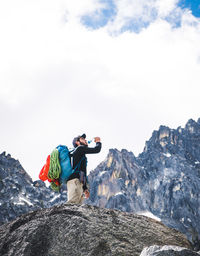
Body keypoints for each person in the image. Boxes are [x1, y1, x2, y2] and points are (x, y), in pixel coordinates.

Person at [66, 133, 102, 204]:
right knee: (72, 205)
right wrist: (98, 142)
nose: (85, 140)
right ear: (77, 142)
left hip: (77, 181)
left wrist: (84, 188)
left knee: (76, 206)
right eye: (82, 139)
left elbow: (83, 171)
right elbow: (96, 150)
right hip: (75, 181)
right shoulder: (79, 149)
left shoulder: (80, 154)